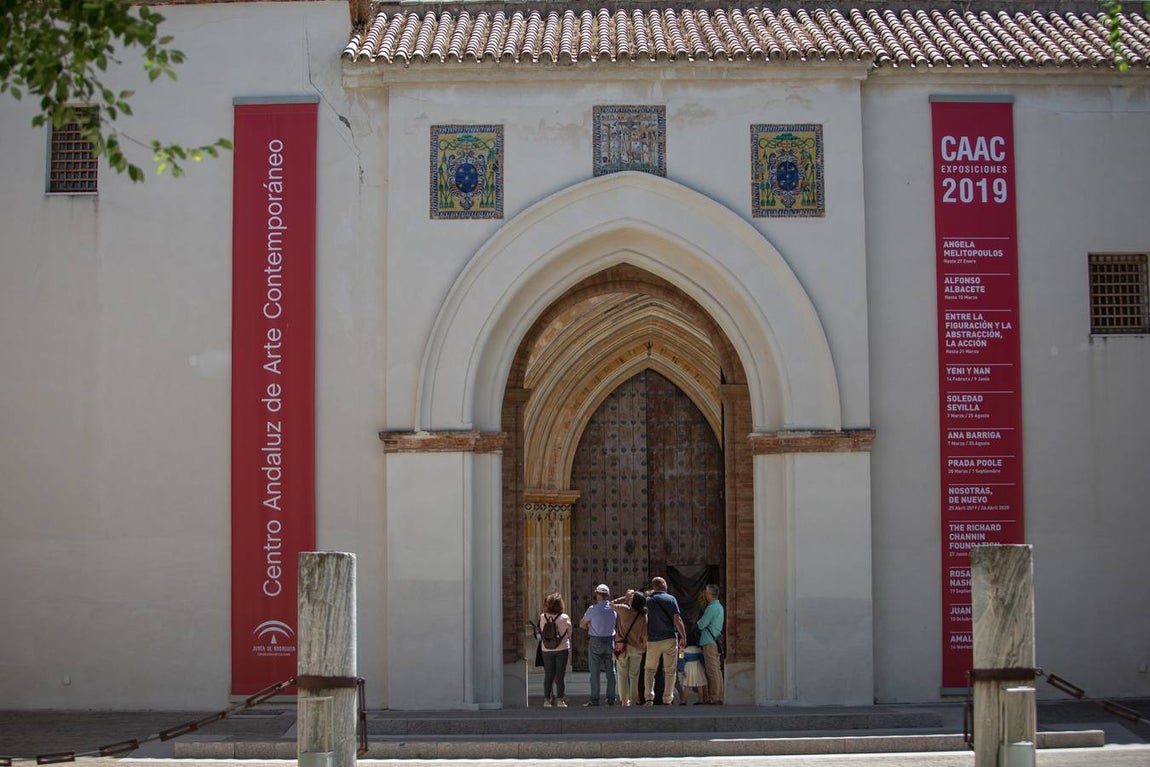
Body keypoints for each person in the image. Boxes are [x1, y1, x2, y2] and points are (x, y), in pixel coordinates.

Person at [642, 576, 686, 706]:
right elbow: (677, 619)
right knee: (670, 670)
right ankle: (667, 698)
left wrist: (644, 638)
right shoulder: (671, 599)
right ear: (662, 584)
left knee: (650, 670)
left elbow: (644, 621)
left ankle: (649, 697)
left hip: (653, 640)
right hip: (669, 639)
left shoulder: (647, 601)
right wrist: (683, 636)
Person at [579, 583, 618, 706]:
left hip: (596, 641)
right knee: (611, 671)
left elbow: (582, 624)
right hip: (610, 640)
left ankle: (595, 699)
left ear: (598, 595)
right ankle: (611, 698)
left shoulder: (592, 609)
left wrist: (589, 626)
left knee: (594, 673)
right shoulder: (614, 609)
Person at [609, 588, 647, 706]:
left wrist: (625, 598)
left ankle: (624, 700)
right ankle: (633, 698)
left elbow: (610, 604)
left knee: (622, 674)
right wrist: (644, 647)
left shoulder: (624, 609)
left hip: (622, 648)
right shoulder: (643, 616)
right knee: (634, 675)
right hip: (636, 648)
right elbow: (645, 634)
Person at [537, 592, 572, 707]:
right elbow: (569, 632)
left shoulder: (543, 617)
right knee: (560, 675)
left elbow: (540, 630)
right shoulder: (565, 617)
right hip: (562, 649)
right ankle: (560, 700)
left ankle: (547, 700)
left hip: (546, 649)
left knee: (548, 675)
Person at [696, 582, 725, 704]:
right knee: (717, 670)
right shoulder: (720, 607)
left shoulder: (711, 607)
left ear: (709, 594)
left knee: (712, 671)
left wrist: (698, 622)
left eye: (706, 592)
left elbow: (702, 624)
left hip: (709, 641)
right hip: (715, 641)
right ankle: (719, 696)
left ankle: (714, 698)